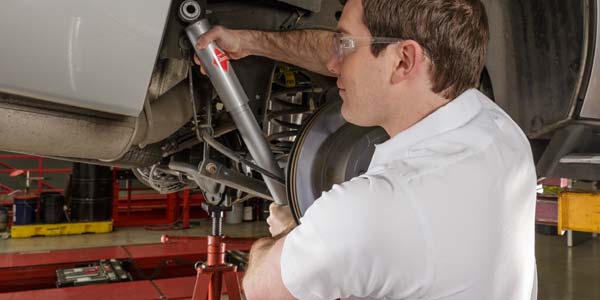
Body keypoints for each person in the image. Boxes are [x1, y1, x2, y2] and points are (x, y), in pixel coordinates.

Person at [195, 0, 537, 299]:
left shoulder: (371, 208)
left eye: (343, 44)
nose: (332, 64)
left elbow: (261, 289)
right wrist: (251, 42)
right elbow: (365, 51)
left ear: (403, 60)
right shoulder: (501, 130)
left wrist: (292, 234)